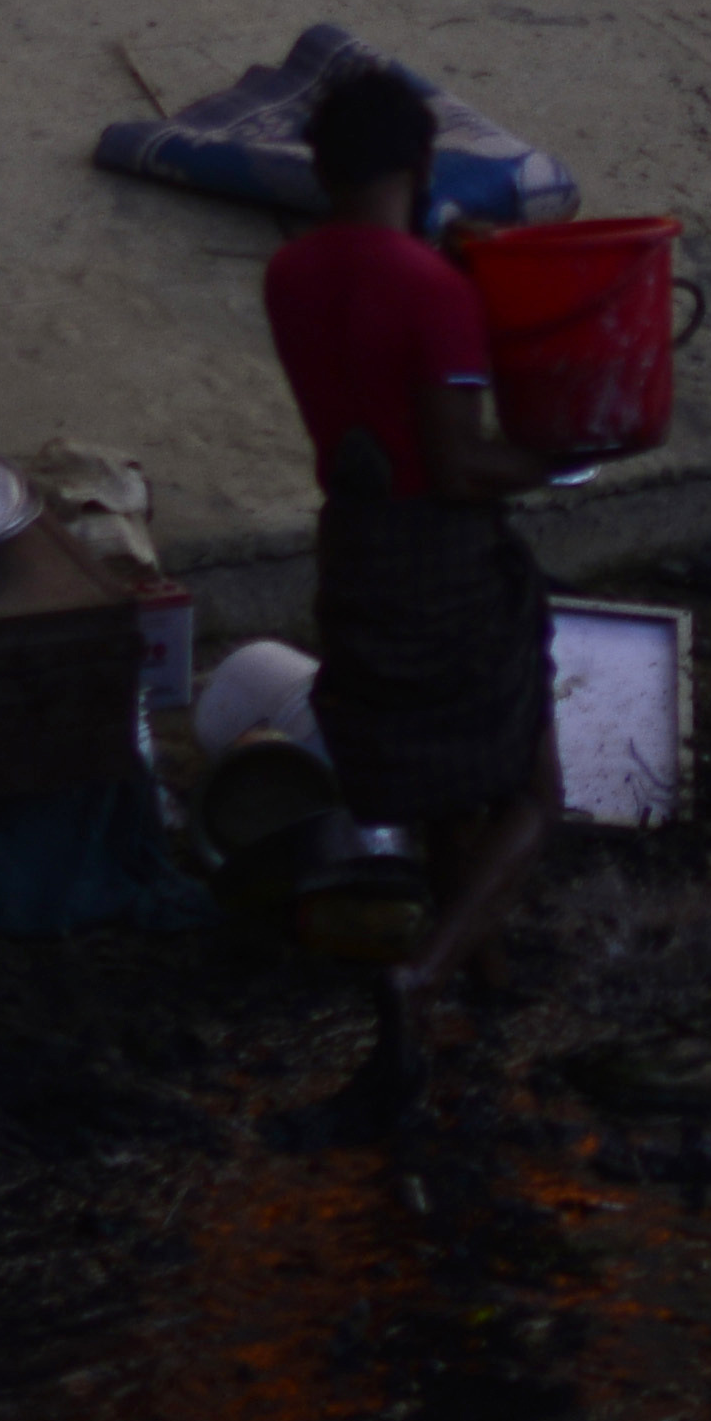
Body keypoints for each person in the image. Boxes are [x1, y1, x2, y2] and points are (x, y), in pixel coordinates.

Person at [263, 60, 560, 1134]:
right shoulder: (432, 291)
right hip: (438, 554)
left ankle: (491, 978)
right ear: (422, 162)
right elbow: (456, 462)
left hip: (352, 551)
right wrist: (565, 454)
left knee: (443, 788)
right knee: (532, 793)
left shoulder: (289, 272)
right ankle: (422, 977)